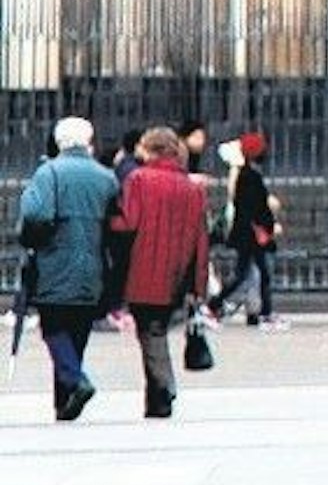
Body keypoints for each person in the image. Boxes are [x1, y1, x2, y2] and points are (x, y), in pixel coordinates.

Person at [14, 112, 118, 422]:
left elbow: (35, 215)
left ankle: (75, 380)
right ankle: (64, 402)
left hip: (55, 262)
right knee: (77, 332)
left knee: (54, 328)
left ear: (59, 142)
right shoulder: (105, 177)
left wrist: (32, 239)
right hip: (93, 264)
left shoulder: (49, 173)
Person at [111, 126, 215, 419]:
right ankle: (156, 402)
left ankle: (163, 384)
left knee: (150, 331)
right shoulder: (192, 187)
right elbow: (201, 239)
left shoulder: (139, 179)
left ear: (151, 150)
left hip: (144, 269)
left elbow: (128, 223)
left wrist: (108, 221)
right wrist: (199, 284)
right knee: (158, 328)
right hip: (179, 272)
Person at [216, 130, 283, 327]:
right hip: (252, 234)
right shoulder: (250, 177)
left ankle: (263, 311)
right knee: (253, 274)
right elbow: (258, 208)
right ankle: (262, 313)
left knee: (250, 273)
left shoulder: (245, 175)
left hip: (248, 233)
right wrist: (268, 226)